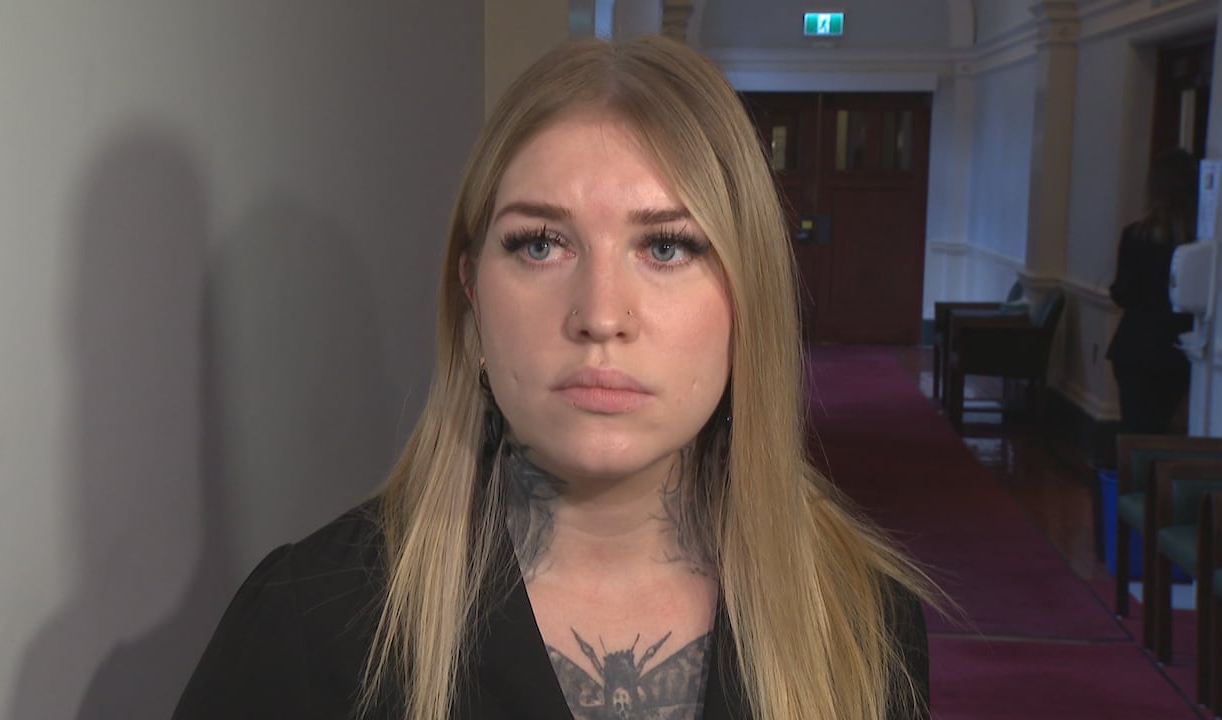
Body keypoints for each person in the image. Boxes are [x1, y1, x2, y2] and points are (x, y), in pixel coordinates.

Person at [175, 36, 932, 720]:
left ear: (749, 301)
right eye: (540, 244)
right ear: (470, 293)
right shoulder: (308, 622)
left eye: (666, 247)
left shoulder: (861, 617)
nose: (600, 314)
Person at [1107, 148, 1198, 435]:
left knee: (1135, 431)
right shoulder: (1200, 243)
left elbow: (1124, 293)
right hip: (1177, 350)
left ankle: (1133, 479)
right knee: (1160, 430)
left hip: (1135, 346)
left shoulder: (1136, 234)